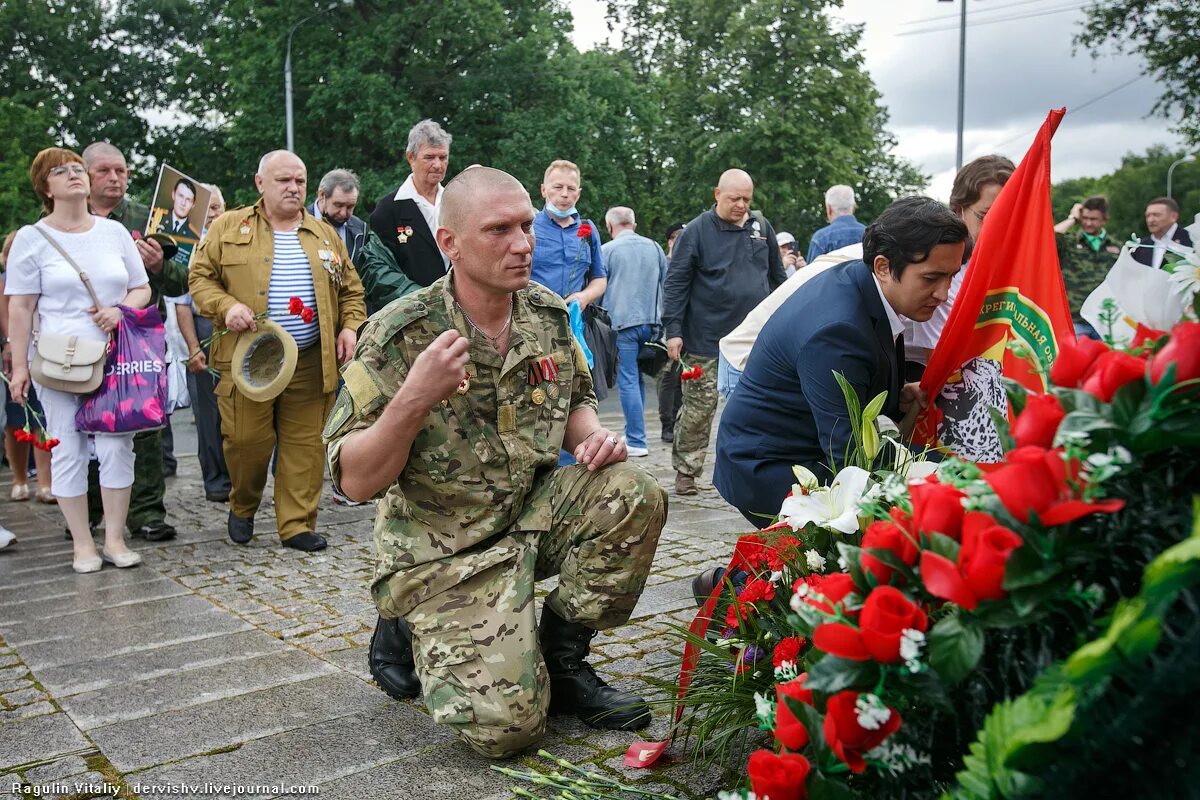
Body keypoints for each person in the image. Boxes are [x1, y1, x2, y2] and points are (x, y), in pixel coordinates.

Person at [325, 167, 666, 758]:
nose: (522, 244)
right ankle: (407, 620)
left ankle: (563, 662)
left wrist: (590, 439)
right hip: (442, 552)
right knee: (505, 732)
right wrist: (414, 396)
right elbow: (354, 480)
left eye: (526, 227)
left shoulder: (546, 314)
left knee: (632, 491)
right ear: (450, 244)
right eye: (499, 230)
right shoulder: (400, 334)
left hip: (525, 517)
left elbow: (576, 400)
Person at [714, 196, 968, 525]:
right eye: (931, 278)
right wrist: (951, 471)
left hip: (802, 447)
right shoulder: (838, 330)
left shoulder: (867, 285)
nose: (943, 294)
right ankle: (731, 579)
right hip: (769, 465)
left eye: (951, 277)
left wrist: (895, 395)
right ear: (883, 267)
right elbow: (850, 453)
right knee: (845, 556)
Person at [189, 150, 366, 551]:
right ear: (260, 183)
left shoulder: (324, 235)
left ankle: (296, 524)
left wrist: (350, 327)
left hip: (309, 360)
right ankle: (244, 504)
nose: (293, 188)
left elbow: (352, 290)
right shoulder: (228, 227)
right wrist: (226, 306)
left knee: (305, 446)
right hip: (251, 361)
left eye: (299, 181)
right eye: (284, 180)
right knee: (246, 442)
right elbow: (199, 279)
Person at [5, 147, 152, 573]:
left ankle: (114, 539)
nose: (73, 175)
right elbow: (21, 308)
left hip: (114, 358)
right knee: (67, 450)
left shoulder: (114, 233)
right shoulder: (32, 238)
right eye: (60, 171)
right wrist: (18, 368)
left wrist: (119, 309)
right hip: (59, 362)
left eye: (75, 169)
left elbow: (141, 289)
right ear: (45, 188)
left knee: (117, 448)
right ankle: (82, 544)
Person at [83, 141, 188, 542]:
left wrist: (159, 265)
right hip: (85, 336)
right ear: (86, 174)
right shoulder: (62, 219)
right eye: (105, 171)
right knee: (85, 427)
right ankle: (89, 508)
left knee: (144, 426)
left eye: (121, 171)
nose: (114, 178)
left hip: (139, 336)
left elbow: (184, 280)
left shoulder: (149, 219)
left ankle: (146, 512)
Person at [662, 169, 786, 496]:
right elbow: (675, 283)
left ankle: (755, 470)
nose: (741, 205)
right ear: (717, 193)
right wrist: (673, 329)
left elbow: (778, 277)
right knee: (699, 410)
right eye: (734, 198)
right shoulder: (697, 231)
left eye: (747, 199)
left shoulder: (761, 227)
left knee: (755, 408)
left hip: (753, 339)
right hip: (706, 339)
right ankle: (686, 470)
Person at [905, 154, 1014, 370]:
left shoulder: (1000, 265)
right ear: (958, 211)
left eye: (1009, 217)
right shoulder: (944, 268)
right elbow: (943, 371)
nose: (1000, 229)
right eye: (986, 216)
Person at [175, 184, 232, 502]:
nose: (216, 214)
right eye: (209, 208)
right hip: (203, 327)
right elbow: (182, 303)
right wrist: (194, 347)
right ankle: (216, 479)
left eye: (219, 207)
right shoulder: (188, 247)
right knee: (208, 412)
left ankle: (241, 474)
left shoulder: (238, 238)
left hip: (238, 327)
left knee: (238, 409)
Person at [600, 206, 667, 458]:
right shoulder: (655, 247)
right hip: (651, 323)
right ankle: (633, 431)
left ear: (609, 227)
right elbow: (665, 283)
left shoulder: (607, 250)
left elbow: (600, 289)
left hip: (621, 323)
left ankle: (637, 440)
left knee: (627, 379)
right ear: (634, 224)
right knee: (636, 377)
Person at [368, 119, 452, 292]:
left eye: (443, 157)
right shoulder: (387, 211)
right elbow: (381, 273)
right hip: (412, 311)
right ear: (410, 157)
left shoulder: (455, 202)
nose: (437, 165)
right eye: (429, 157)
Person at [2, 231, 54, 504]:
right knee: (15, 418)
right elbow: (7, 316)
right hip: (15, 357)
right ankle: (20, 478)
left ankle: (45, 482)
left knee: (42, 419)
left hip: (44, 353)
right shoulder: (4, 282)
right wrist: (10, 345)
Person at [531, 160, 607, 308]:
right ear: (543, 190)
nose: (565, 194)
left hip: (573, 322)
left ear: (578, 194)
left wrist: (585, 296)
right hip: (531, 321)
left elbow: (599, 278)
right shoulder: (528, 227)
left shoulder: (588, 229)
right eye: (558, 187)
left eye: (571, 189)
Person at [1053, 195, 1122, 337]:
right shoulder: (1069, 242)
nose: (1088, 223)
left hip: (1106, 320)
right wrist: (1072, 218)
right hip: (1075, 319)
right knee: (1075, 359)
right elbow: (1049, 237)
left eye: (1094, 219)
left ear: (1104, 220)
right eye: (1085, 218)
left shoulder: (1117, 247)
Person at [656, 222, 686, 443]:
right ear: (670, 241)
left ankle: (677, 421)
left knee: (682, 378)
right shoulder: (664, 265)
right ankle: (667, 423)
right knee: (669, 377)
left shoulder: (689, 265)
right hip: (666, 326)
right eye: (679, 237)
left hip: (687, 326)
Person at [310, 168, 367, 266]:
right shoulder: (298, 223)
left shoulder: (361, 229)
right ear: (321, 195)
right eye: (338, 205)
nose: (343, 213)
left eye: (350, 207)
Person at [806, 184, 866, 262]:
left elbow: (812, 272)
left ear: (829, 209)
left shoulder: (820, 238)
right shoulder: (870, 234)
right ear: (853, 208)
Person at [1132, 196, 1194, 269]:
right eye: (1148, 216)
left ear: (1173, 216)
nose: (1150, 220)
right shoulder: (1141, 247)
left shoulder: (1191, 240)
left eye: (1156, 215)